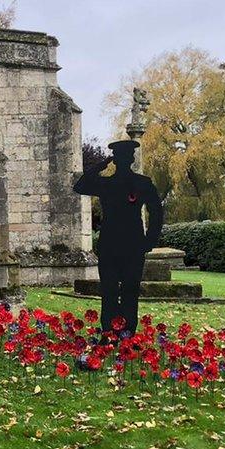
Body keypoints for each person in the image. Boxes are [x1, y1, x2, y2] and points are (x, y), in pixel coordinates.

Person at [74, 140, 163, 335]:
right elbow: (79, 187)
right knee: (111, 290)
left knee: (127, 290)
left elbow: (157, 211)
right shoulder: (107, 184)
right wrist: (149, 240)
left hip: (130, 244)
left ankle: (125, 332)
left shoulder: (140, 183)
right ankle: (112, 331)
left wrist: (149, 240)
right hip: (113, 244)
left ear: (128, 159)